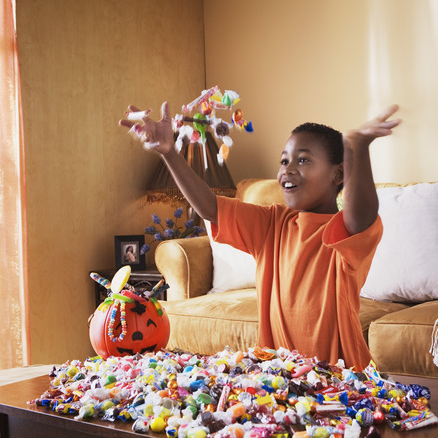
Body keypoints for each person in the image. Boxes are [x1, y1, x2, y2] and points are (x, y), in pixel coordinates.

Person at [120, 102, 400, 370]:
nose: (287, 170)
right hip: (279, 379)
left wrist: (357, 149)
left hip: (343, 380)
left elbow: (360, 214)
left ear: (339, 174)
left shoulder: (345, 230)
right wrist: (169, 153)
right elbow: (210, 208)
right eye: (284, 161)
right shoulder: (271, 223)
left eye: (303, 160)